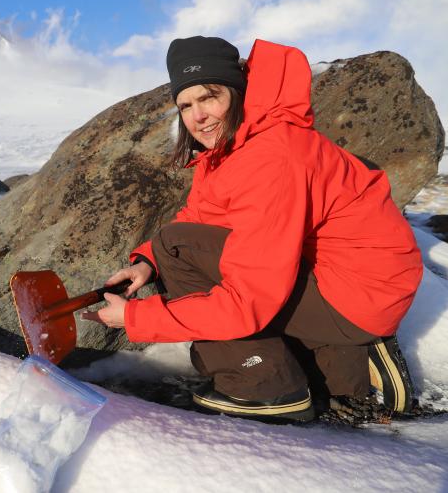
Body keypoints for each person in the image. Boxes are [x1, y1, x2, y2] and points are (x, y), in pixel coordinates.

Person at [81, 36, 423, 422]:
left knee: (175, 247)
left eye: (209, 97)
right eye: (186, 106)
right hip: (359, 279)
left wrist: (137, 320)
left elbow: (249, 301)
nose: (198, 116)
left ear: (237, 92)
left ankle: (263, 387)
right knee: (167, 248)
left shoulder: (270, 157)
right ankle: (352, 364)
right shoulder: (243, 142)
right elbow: (204, 214)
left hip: (357, 293)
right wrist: (147, 262)